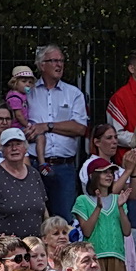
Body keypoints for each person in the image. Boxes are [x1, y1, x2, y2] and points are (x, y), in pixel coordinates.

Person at [26, 45, 89, 220]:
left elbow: (80, 128)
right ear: (41, 65)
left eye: (61, 61)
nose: (59, 65)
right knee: (32, 217)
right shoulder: (28, 93)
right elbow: (17, 123)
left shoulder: (74, 93)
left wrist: (47, 126)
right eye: (53, 60)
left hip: (64, 167)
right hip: (32, 166)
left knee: (65, 220)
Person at [0, 128, 48, 243]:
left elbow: (44, 211)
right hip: (6, 251)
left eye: (18, 144)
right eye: (9, 145)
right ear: (2, 150)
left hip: (35, 249)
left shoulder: (34, 174)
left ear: (25, 148)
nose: (14, 148)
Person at [74, 163, 131, 271]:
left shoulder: (118, 199)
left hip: (117, 256)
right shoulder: (83, 200)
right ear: (93, 175)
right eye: (104, 172)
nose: (109, 175)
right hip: (94, 259)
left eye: (111, 172)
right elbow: (87, 231)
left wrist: (120, 207)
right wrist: (98, 207)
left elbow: (127, 231)